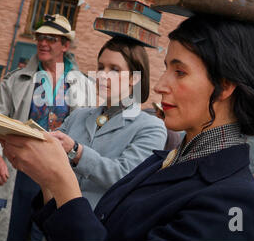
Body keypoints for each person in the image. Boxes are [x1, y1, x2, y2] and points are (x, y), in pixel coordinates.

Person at [0, 15, 254, 241]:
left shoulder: (234, 202)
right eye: (165, 68)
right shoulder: (161, 162)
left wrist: (63, 178)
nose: (162, 85)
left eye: (180, 72)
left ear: (225, 86)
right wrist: (49, 179)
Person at [0, 14, 94, 241]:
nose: (43, 43)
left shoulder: (84, 86)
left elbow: (89, 133)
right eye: (40, 37)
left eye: (51, 39)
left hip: (58, 173)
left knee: (46, 235)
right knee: (10, 232)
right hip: (19, 170)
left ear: (65, 45)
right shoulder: (16, 80)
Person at [50, 36, 167, 208]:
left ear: (134, 78)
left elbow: (126, 176)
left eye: (114, 69)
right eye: (100, 67)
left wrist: (77, 151)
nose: (102, 75)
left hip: (100, 227)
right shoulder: (78, 115)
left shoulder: (151, 127)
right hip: (55, 218)